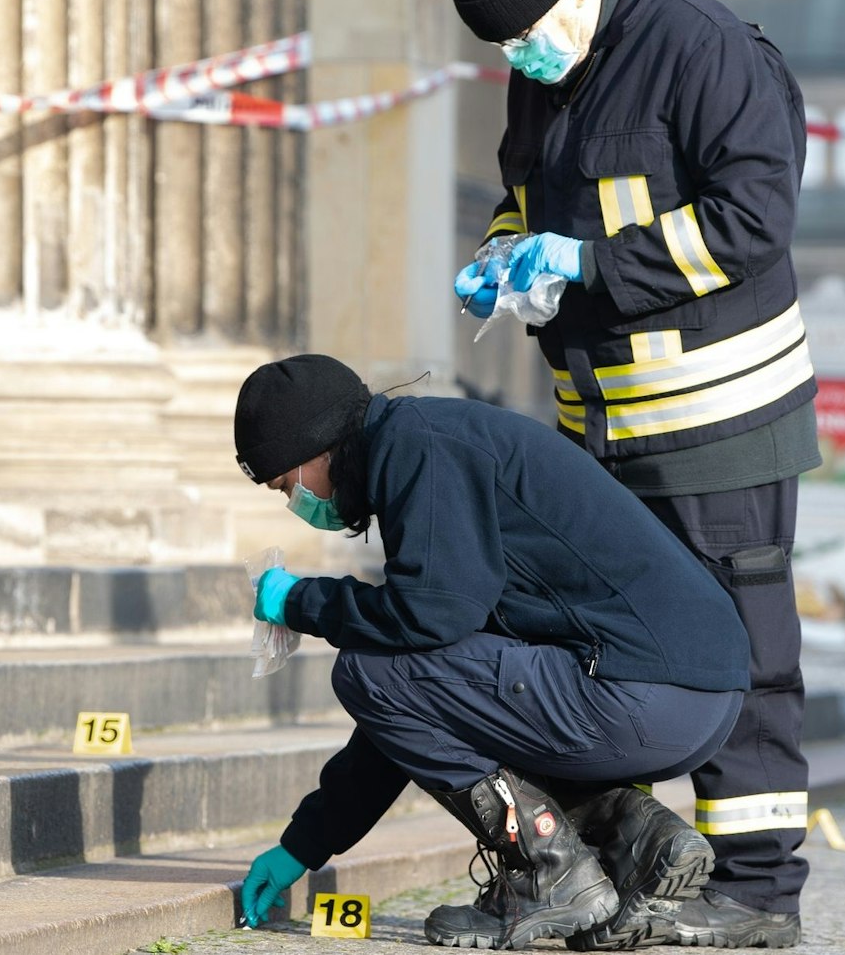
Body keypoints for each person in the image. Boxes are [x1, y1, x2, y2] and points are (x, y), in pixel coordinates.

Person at [438, 0, 816, 945]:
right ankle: (601, 870)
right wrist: (504, 253)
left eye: (524, 33)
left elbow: (754, 219)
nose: (520, 56)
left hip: (720, 412)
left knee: (744, 651)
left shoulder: (705, 50)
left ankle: (756, 892)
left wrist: (589, 264)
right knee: (590, 645)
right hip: (599, 422)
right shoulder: (547, 61)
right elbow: (526, 192)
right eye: (503, 45)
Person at [231, 355, 750, 951]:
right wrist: (304, 844)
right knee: (411, 677)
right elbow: (427, 694)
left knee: (366, 669)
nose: (297, 502)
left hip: (640, 692)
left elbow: (426, 619)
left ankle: (551, 873)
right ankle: (636, 838)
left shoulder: (414, 447)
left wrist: (301, 601)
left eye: (287, 485)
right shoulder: (434, 439)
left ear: (315, 448)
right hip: (694, 699)